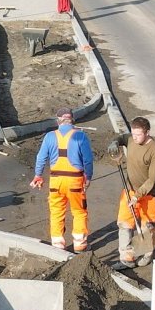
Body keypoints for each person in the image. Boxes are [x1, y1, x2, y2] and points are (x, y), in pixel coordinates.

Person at [30, 107, 94, 251]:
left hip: (56, 181)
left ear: (58, 120)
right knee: (79, 211)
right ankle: (80, 245)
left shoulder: (50, 136)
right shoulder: (80, 136)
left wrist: (38, 175)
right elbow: (88, 160)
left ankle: (57, 245)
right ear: (72, 120)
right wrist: (88, 177)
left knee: (57, 211)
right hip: (75, 181)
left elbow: (41, 158)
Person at [114, 116, 155, 270]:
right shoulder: (131, 139)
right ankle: (127, 257)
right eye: (133, 134)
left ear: (147, 133)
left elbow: (152, 180)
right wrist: (115, 142)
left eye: (138, 135)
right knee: (124, 223)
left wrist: (138, 196)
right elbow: (123, 138)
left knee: (147, 227)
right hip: (130, 190)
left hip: (149, 196)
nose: (134, 138)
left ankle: (146, 255)